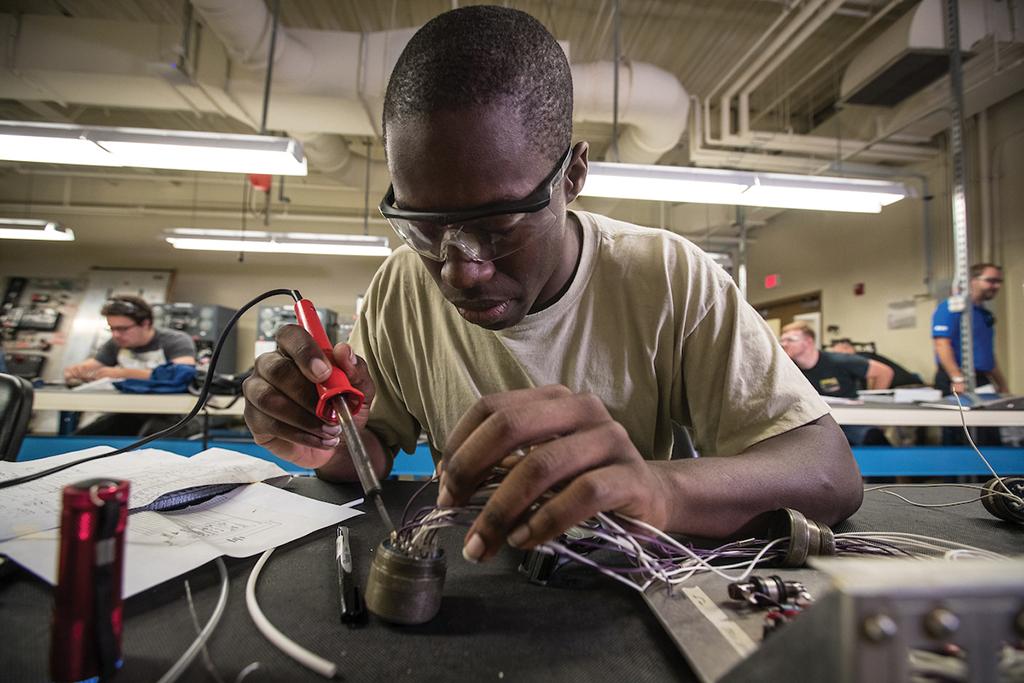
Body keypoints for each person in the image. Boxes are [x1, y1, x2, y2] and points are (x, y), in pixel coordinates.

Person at [243, 6, 863, 563]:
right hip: (472, 579)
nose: (460, 270)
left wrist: (661, 489)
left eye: (500, 224)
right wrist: (317, 431)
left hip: (628, 581)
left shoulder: (669, 278)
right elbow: (371, 448)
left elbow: (829, 473)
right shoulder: (401, 288)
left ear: (573, 176)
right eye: (424, 227)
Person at [64, 295, 196, 435]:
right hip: (131, 410)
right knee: (85, 438)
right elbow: (93, 365)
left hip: (173, 413)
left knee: (148, 442)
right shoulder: (115, 344)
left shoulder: (176, 341)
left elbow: (181, 375)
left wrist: (124, 373)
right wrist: (76, 371)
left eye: (122, 329)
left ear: (145, 323)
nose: (116, 335)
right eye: (111, 329)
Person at [780, 322, 892, 445]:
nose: (783, 344)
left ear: (808, 341)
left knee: (872, 437)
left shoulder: (838, 361)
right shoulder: (789, 369)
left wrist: (871, 405)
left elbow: (884, 372)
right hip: (817, 424)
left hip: (850, 422)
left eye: (790, 340)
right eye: (782, 340)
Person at [931, 263, 1009, 396]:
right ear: (972, 280)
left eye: (999, 282)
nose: (997, 286)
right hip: (956, 379)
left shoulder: (982, 314)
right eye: (991, 281)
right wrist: (957, 378)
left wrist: (1002, 385)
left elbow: (987, 353)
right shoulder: (951, 308)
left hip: (981, 378)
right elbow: (941, 344)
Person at [828, 339, 923, 388]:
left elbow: (872, 380)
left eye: (839, 354)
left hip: (907, 387)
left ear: (849, 349)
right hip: (897, 387)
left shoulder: (862, 358)